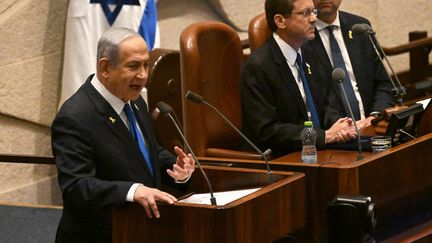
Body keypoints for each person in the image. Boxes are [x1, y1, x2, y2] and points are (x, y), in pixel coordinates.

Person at [51, 27, 195, 243]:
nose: (144, 75)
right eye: (133, 66)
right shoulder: (75, 117)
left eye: (146, 65)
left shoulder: (135, 101)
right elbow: (77, 187)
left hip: (139, 230)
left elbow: (143, 152)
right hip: (100, 235)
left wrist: (176, 168)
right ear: (105, 67)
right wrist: (132, 190)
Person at [241, 0, 357, 157]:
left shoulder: (308, 52)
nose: (314, 19)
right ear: (280, 21)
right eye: (305, 13)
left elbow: (327, 103)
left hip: (321, 150)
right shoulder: (259, 66)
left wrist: (339, 126)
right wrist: (323, 136)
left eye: (313, 12)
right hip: (286, 158)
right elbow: (267, 130)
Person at [304, 0, 395, 128]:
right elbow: (313, 99)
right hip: (335, 134)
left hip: (373, 126)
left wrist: (376, 116)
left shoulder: (359, 27)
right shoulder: (301, 37)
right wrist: (344, 127)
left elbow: (384, 83)